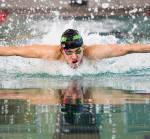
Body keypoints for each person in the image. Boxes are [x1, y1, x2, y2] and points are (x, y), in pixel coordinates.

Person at [0, 29, 150, 69]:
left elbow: (130, 48)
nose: (74, 57)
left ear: (83, 48)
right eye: (69, 53)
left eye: (78, 51)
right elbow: (14, 50)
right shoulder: (50, 53)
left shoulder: (94, 52)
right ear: (61, 50)